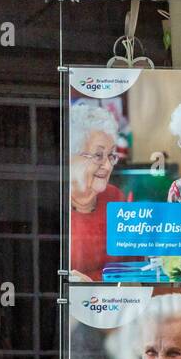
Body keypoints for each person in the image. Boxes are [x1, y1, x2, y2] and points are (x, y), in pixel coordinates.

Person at [69, 101, 131, 280]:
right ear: (72, 158)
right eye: (98, 155)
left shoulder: (115, 198)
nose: (107, 165)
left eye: (111, 155)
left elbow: (133, 268)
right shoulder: (55, 203)